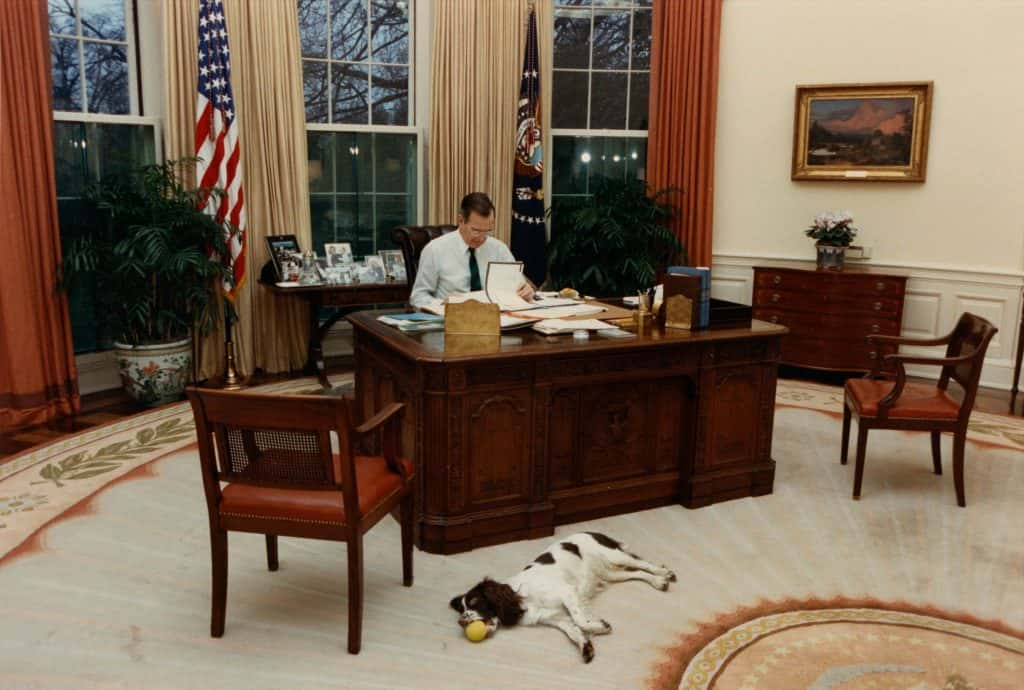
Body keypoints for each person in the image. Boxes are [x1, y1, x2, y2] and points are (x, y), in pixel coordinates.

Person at [409, 192, 535, 309]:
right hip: (452, 320)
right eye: (476, 230)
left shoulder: (499, 249)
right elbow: (418, 297)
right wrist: (441, 303)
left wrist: (526, 292)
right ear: (461, 221)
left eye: (487, 230)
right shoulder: (435, 250)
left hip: (495, 319)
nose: (481, 238)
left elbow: (518, 287)